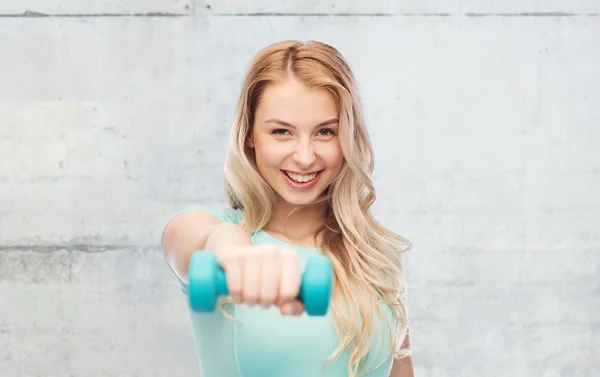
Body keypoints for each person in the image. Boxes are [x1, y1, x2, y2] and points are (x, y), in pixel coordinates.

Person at [161, 40, 414, 377]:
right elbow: (194, 238)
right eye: (282, 132)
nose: (305, 156)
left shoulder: (375, 258)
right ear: (250, 133)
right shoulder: (212, 234)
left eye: (325, 132)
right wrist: (232, 248)